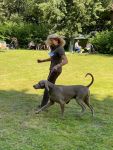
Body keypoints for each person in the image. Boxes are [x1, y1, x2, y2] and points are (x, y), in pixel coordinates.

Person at [37, 34, 68, 109]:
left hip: (56, 71)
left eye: (51, 40)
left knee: (47, 86)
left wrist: (57, 66)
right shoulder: (53, 48)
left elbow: (66, 61)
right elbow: (52, 58)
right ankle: (64, 98)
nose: (49, 42)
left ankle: (43, 105)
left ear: (56, 40)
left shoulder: (60, 49)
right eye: (49, 40)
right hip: (52, 70)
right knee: (50, 87)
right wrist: (42, 61)